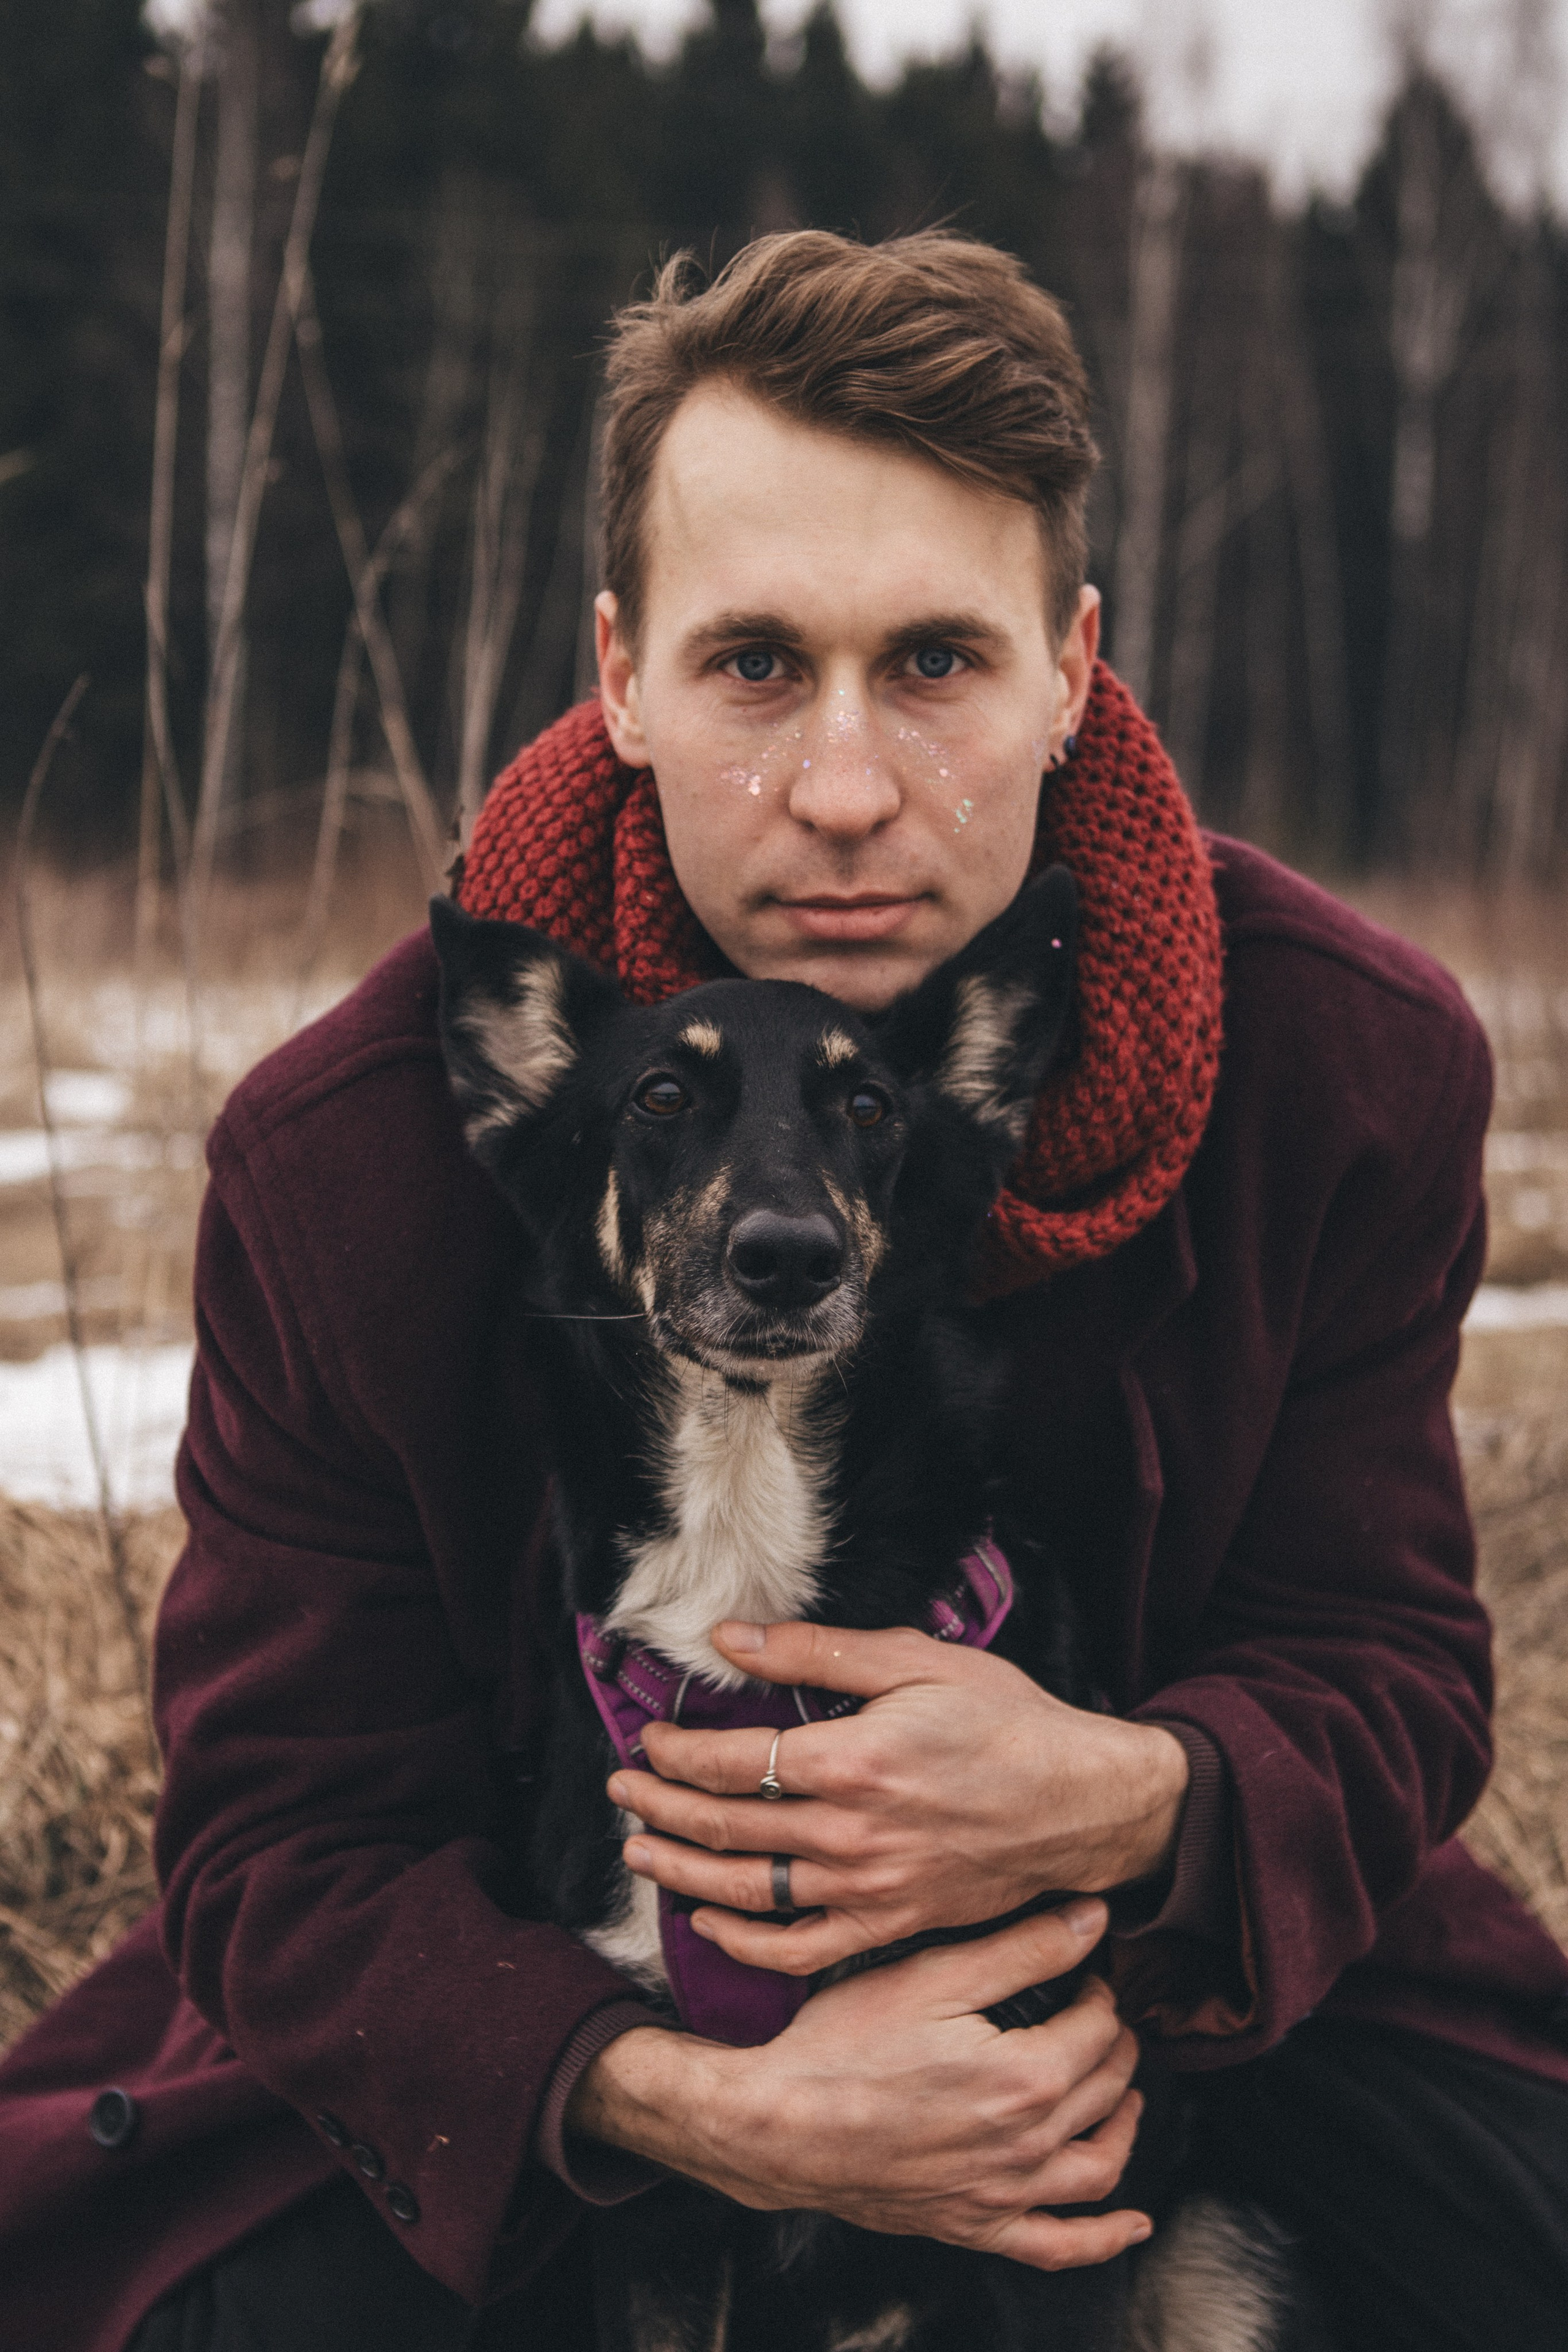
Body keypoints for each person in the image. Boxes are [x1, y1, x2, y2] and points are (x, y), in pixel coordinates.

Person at [2, 229, 1566, 2352]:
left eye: (935, 663)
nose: (843, 792)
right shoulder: (351, 1152)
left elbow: (1381, 1664)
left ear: (1073, 668)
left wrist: (1137, 1798)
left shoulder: (1346, 1069)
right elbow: (286, 1836)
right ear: (622, 673)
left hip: (1195, 1999)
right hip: (525, 2022)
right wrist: (699, 2104)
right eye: (754, 668)